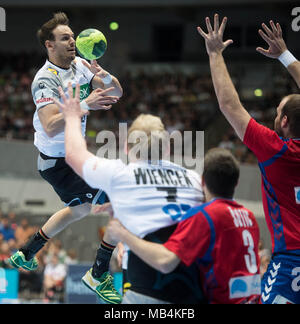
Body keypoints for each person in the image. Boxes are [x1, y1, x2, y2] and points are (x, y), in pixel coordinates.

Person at [8, 12, 123, 304]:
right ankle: (98, 274)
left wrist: (102, 74)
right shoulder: (44, 79)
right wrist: (86, 103)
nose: (72, 41)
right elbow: (49, 123)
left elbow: (117, 92)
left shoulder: (80, 66)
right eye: (65, 38)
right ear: (49, 45)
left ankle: (27, 252)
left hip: (71, 157)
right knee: (118, 202)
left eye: (73, 37)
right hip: (59, 162)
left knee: (81, 210)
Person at [56, 83, 205, 304]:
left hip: (147, 293)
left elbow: (74, 154)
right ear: (167, 149)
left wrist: (72, 116)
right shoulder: (194, 179)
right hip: (195, 293)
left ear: (126, 147)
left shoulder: (120, 175)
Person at [197, 14, 300, 304]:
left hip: (291, 262)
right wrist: (286, 56)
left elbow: (230, 105)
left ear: (284, 123)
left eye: (278, 112)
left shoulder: (276, 151)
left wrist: (215, 53)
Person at [106, 148, 261, 304]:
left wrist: (123, 234)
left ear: (202, 182)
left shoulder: (205, 215)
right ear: (237, 183)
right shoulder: (249, 217)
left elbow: (165, 261)